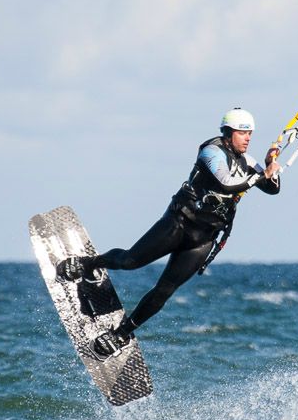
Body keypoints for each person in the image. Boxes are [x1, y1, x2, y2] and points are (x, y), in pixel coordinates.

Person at [57, 107, 282, 359]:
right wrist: (261, 175)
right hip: (179, 223)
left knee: (164, 291)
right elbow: (224, 183)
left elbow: (273, 189)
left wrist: (270, 165)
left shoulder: (248, 163)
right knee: (130, 261)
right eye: (243, 132)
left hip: (202, 241)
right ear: (228, 133)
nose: (248, 138)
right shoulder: (211, 150)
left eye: (250, 133)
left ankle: (121, 334)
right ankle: (90, 263)